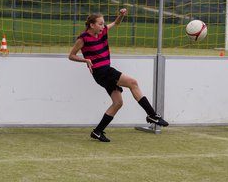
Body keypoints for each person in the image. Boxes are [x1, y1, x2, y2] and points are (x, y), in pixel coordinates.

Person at [68, 8, 169, 142]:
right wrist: (85, 60)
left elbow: (115, 23)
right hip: (102, 72)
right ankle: (152, 115)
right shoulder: (83, 38)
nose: (103, 26)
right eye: (100, 23)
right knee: (133, 83)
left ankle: (97, 131)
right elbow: (71, 56)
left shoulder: (103, 31)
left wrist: (121, 15)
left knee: (118, 103)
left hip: (104, 72)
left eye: (103, 23)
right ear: (92, 25)